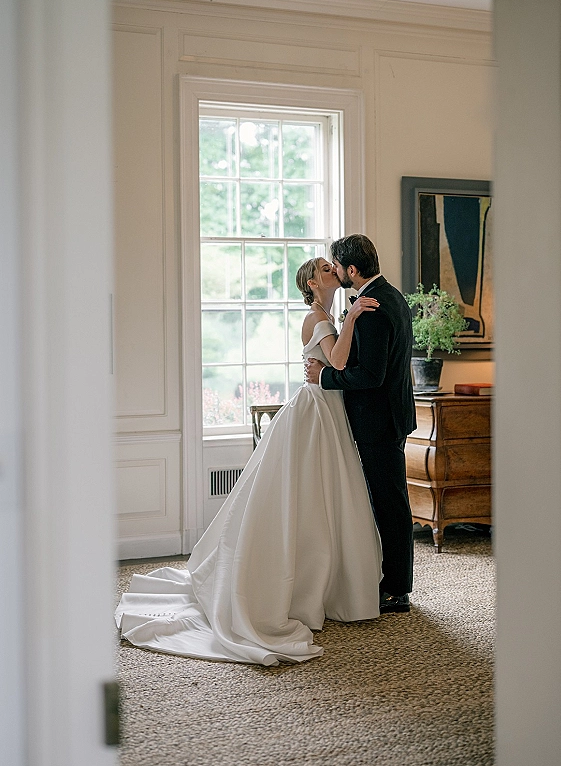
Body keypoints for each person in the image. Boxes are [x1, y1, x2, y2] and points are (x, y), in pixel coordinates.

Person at [115, 258, 382, 666]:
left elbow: (336, 365)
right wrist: (351, 321)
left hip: (329, 409)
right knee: (307, 493)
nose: (334, 271)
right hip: (314, 411)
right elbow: (340, 363)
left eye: (335, 267)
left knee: (327, 495)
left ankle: (329, 584)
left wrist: (348, 319)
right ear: (313, 282)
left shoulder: (329, 314)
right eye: (327, 269)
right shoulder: (316, 319)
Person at [305, 235, 416, 614]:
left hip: (377, 420)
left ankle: (397, 589)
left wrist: (324, 379)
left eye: (336, 265)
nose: (334, 271)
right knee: (388, 500)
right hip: (390, 415)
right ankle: (390, 580)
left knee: (388, 502)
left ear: (351, 270)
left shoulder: (370, 307)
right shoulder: (394, 296)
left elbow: (369, 374)